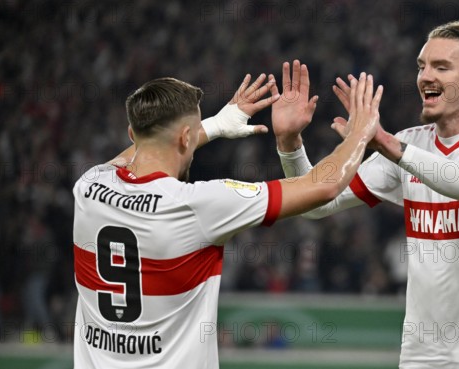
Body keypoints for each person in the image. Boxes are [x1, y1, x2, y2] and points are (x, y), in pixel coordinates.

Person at [272, 20, 459, 369]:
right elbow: (315, 204)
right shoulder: (410, 144)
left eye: (441, 67)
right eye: (422, 66)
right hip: (424, 358)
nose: (425, 77)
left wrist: (387, 143)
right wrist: (290, 144)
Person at [72, 69, 383, 368]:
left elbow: (129, 157)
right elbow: (324, 187)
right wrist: (359, 133)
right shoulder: (198, 205)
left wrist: (214, 126)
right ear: (185, 138)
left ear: (131, 132)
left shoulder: (89, 186)